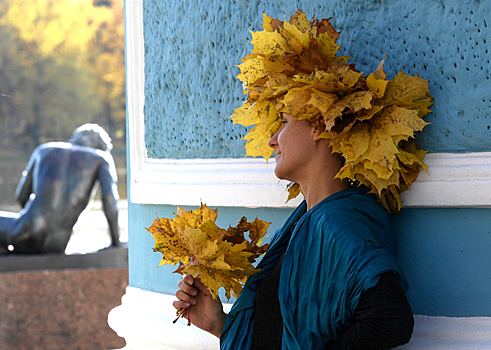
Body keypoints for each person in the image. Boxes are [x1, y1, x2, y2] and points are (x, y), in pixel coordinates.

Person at [173, 10, 431, 350]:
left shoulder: (337, 223)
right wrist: (220, 324)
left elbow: (389, 321)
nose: (272, 139)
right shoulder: (303, 224)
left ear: (320, 123)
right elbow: (288, 333)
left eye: (283, 120)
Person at [0, 123, 121, 254]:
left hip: (28, 229)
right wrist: (116, 244)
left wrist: (33, 220)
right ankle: (0, 250)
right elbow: (110, 203)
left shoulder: (45, 149)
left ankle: (3, 248)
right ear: (100, 146)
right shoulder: (102, 159)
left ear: (76, 137)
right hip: (58, 243)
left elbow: (21, 195)